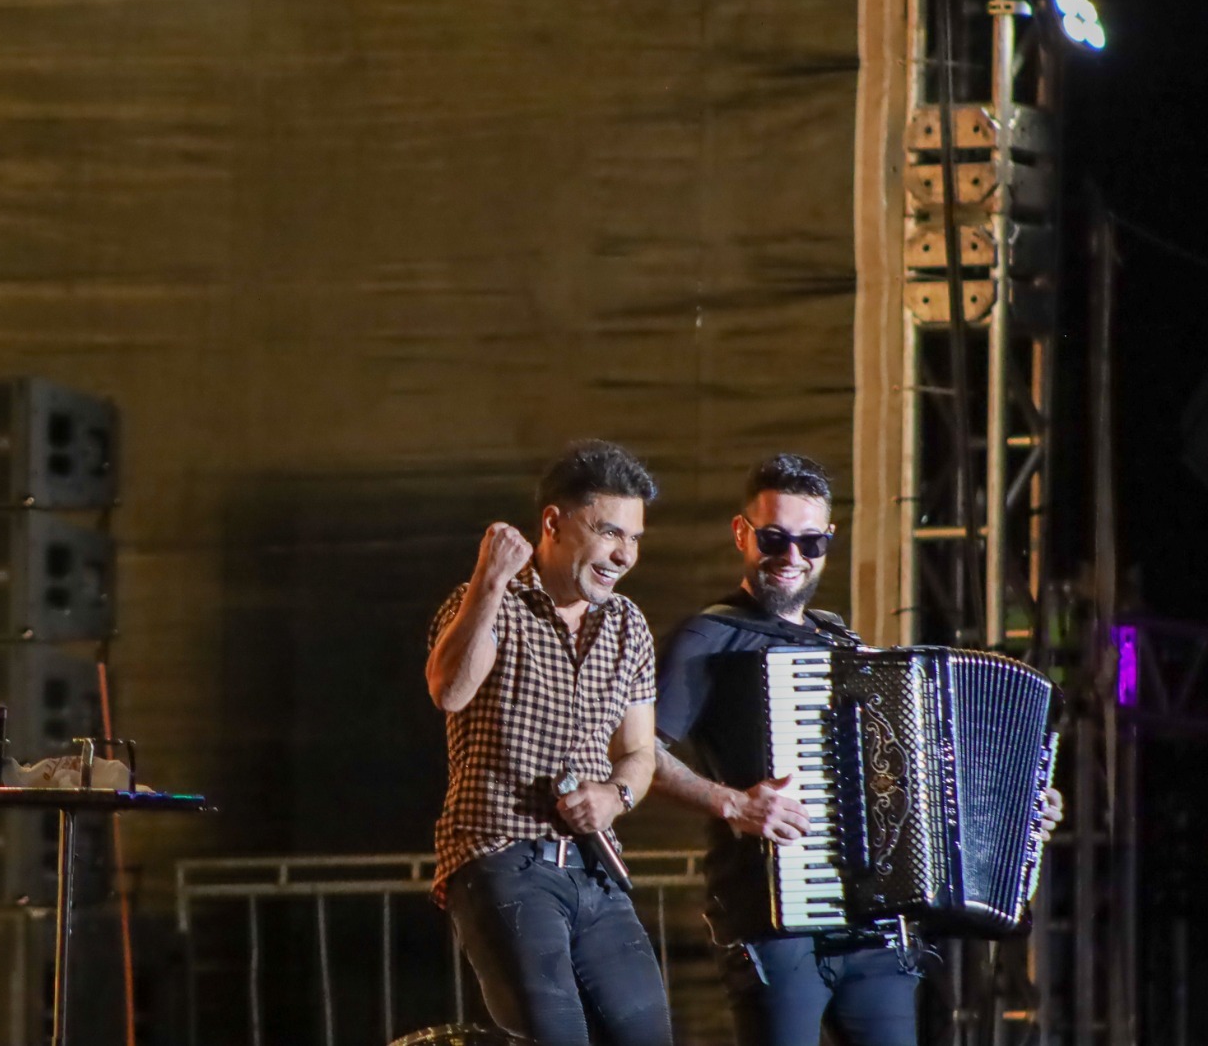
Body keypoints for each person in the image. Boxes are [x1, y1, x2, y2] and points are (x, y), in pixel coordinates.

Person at [648, 453, 1063, 1046]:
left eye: (810, 542)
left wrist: (1017, 807)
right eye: (774, 538)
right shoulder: (708, 637)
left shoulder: (842, 642)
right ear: (742, 533)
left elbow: (914, 777)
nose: (792, 556)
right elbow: (635, 755)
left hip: (873, 930)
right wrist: (733, 803)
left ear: (828, 540)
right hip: (773, 924)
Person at [425, 439, 675, 1046]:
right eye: (609, 532)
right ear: (553, 524)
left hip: (594, 868)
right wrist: (489, 581)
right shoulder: (487, 602)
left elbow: (639, 754)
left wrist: (616, 795)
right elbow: (449, 691)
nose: (624, 554)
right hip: (502, 856)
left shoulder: (628, 625)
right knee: (554, 1034)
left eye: (634, 538)